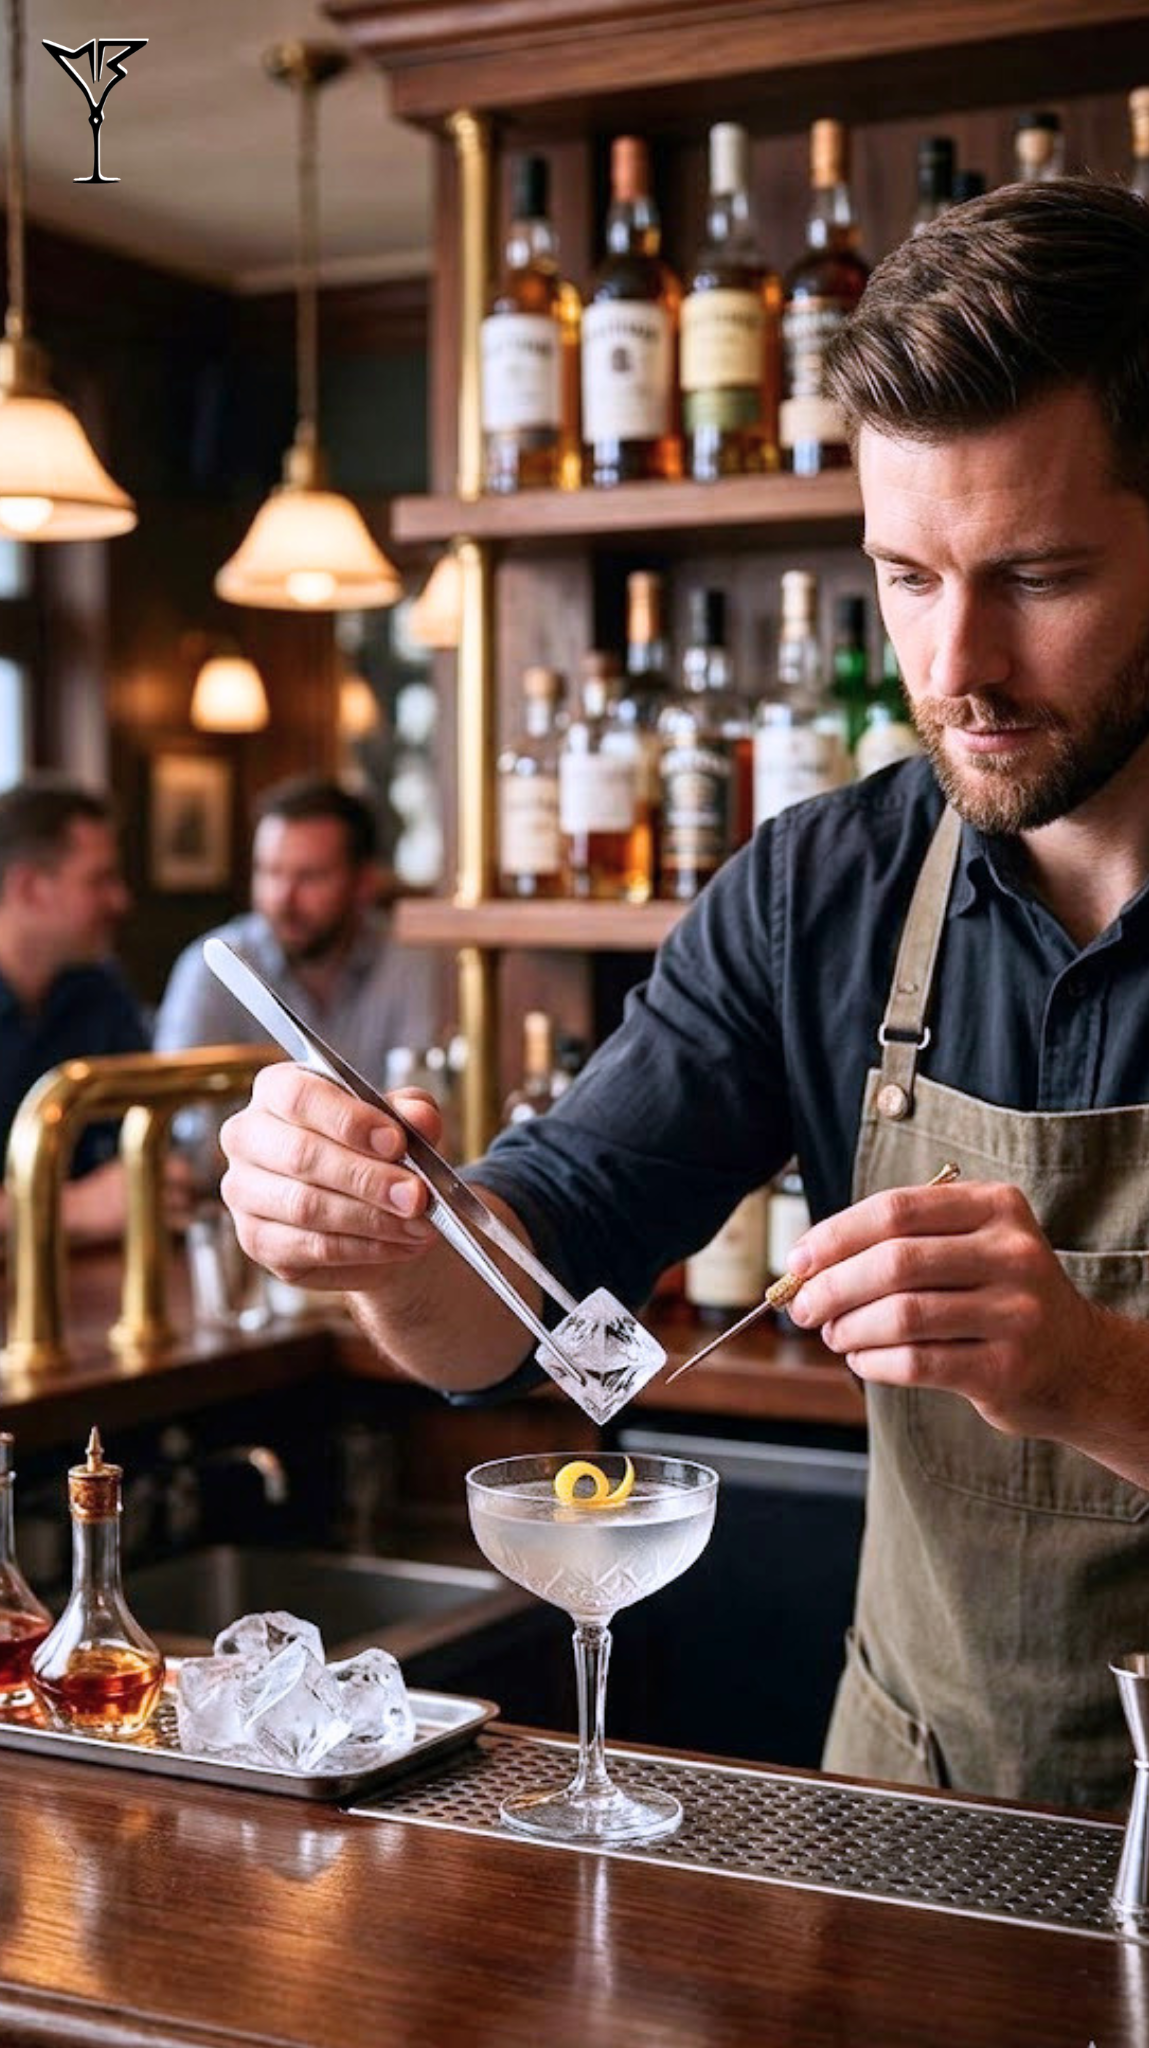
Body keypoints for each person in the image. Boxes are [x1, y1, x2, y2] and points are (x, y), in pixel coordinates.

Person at [217, 177, 1149, 1813]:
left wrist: (1089, 1374)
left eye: (1036, 576)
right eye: (904, 577)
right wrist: (376, 1233)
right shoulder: (815, 892)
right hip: (917, 1804)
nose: (951, 669)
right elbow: (519, 1289)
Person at [154, 774, 445, 1077]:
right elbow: (182, 1112)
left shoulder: (408, 962)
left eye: (309, 876)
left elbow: (427, 1093)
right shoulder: (214, 969)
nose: (283, 898)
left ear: (364, 883)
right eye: (270, 872)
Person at [0, 779, 170, 1241]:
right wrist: (71, 1208)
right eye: (100, 880)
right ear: (31, 889)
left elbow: (146, 1145)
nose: (121, 900)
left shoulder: (101, 991)